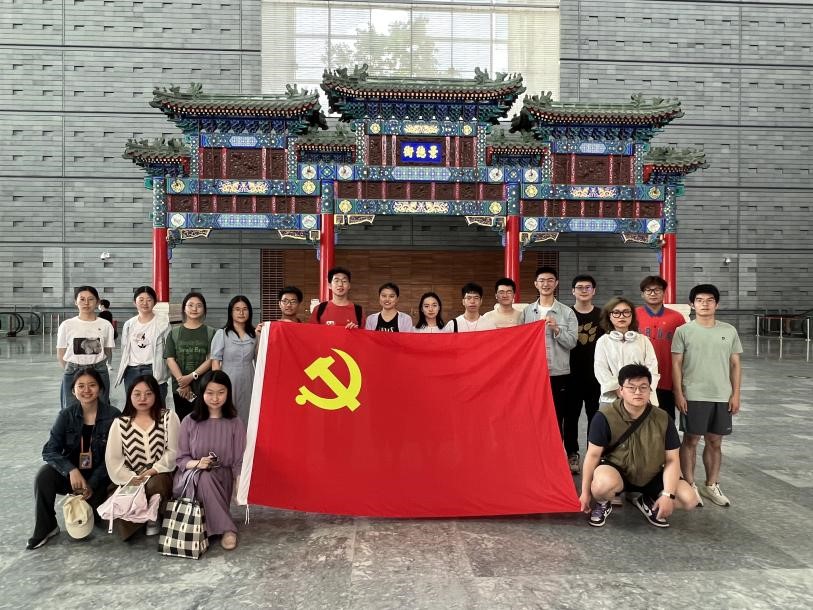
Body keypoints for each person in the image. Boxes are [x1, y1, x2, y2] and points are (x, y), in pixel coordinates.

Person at [579, 364, 697, 528]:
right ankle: (603, 503)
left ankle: (648, 502)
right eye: (631, 387)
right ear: (621, 390)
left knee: (689, 500)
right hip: (618, 471)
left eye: (643, 387)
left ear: (650, 390)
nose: (638, 392)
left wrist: (668, 494)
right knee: (601, 486)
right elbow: (592, 455)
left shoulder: (663, 418)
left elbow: (672, 459)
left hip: (653, 473)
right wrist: (585, 493)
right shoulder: (604, 417)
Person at [28, 367, 121, 549]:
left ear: (100, 388)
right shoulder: (66, 415)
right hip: (74, 477)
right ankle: (47, 526)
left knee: (97, 521)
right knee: (44, 475)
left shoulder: (113, 416)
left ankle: (95, 506)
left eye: (92, 385)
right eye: (81, 386)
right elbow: (50, 450)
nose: (86, 390)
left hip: (102, 479)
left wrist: (92, 483)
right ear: (73, 390)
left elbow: (114, 457)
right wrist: (71, 470)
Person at [673, 284, 742, 508]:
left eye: (710, 300)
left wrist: (735, 394)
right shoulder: (683, 331)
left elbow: (735, 364)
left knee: (715, 441)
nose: (705, 304)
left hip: (721, 395)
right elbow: (676, 364)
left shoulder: (729, 331)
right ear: (692, 304)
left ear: (717, 304)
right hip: (694, 394)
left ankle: (711, 485)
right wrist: (679, 393)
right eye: (700, 300)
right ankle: (690, 485)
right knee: (691, 440)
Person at [174, 370, 246, 551]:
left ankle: (212, 524)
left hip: (223, 477)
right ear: (202, 393)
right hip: (193, 476)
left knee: (210, 477)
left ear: (228, 393)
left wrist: (240, 488)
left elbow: (238, 461)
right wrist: (199, 463)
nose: (215, 398)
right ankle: (227, 529)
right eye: (210, 393)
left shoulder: (235, 422)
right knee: (205, 476)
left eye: (221, 392)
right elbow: (181, 459)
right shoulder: (189, 421)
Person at [105, 374, 180, 540]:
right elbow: (113, 460)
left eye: (148, 393)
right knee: (124, 507)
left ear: (156, 395)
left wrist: (153, 470)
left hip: (161, 474)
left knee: (156, 483)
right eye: (137, 394)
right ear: (129, 395)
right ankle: (141, 516)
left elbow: (174, 451)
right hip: (131, 478)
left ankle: (153, 516)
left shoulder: (168, 417)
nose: (142, 398)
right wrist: (133, 478)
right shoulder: (120, 423)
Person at [520, 267, 578, 441]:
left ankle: (556, 452)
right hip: (533, 374)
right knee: (533, 415)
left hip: (558, 373)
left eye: (550, 280)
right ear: (536, 284)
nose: (546, 284)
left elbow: (572, 342)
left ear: (556, 283)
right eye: (542, 280)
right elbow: (521, 343)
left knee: (557, 415)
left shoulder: (567, 312)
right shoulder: (527, 312)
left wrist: (557, 329)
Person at [564, 274, 604, 474]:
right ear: (573, 291)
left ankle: (592, 455)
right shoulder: (566, 314)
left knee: (594, 416)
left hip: (595, 376)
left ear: (593, 291)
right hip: (570, 375)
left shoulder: (602, 315)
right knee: (570, 417)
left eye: (588, 287)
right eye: (579, 287)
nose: (583, 290)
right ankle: (572, 453)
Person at [56, 285, 115, 410]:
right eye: (82, 299)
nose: (86, 303)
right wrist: (70, 368)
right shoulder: (67, 325)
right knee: (71, 410)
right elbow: (61, 352)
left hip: (99, 370)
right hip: (73, 371)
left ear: (97, 302)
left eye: (91, 299)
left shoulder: (105, 325)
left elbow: (108, 351)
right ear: (75, 301)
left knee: (101, 409)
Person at [593, 297, 660, 407]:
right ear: (609, 316)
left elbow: (652, 368)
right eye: (616, 313)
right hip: (613, 397)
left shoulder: (643, 340)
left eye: (626, 312)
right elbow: (601, 369)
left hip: (642, 396)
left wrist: (641, 389)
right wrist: (619, 390)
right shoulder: (603, 341)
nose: (621, 316)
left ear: (632, 315)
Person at [636, 276, 686, 419]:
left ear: (664, 292)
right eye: (648, 290)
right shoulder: (633, 315)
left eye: (657, 290)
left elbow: (684, 351)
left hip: (666, 380)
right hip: (638, 380)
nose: (653, 293)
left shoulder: (677, 318)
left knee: (666, 421)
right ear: (642, 294)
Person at [164, 292, 216, 421]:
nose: (194, 309)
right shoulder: (174, 333)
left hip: (203, 386)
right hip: (180, 388)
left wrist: (191, 376)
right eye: (190, 305)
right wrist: (182, 382)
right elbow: (170, 359)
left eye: (199, 305)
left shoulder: (210, 332)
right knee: (183, 422)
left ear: (204, 309)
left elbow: (211, 359)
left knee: (203, 421)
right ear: (184, 308)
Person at [115, 286, 171, 400]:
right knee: (133, 405)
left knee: (157, 405)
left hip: (154, 370)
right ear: (134, 302)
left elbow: (169, 351)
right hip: (131, 371)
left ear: (155, 302)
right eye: (141, 299)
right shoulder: (129, 324)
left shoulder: (163, 323)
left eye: (149, 299)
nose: (145, 303)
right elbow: (124, 349)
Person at [212, 296, 257, 426]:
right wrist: (218, 385)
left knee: (248, 412)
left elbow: (258, 359)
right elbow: (215, 361)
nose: (241, 313)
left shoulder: (254, 334)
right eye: (237, 309)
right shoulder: (222, 333)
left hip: (249, 378)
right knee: (227, 413)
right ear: (231, 312)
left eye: (245, 309)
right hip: (228, 378)